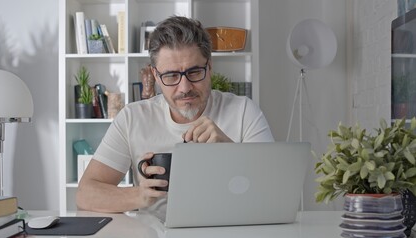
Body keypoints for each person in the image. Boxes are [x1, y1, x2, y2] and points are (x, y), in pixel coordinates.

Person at [76, 16, 274, 215]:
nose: (185, 88)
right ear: (155, 76)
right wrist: (139, 196)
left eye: (195, 72)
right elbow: (85, 193)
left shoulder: (244, 112)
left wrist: (230, 155)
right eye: (171, 76)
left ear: (210, 67)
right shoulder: (132, 118)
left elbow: (273, 192)